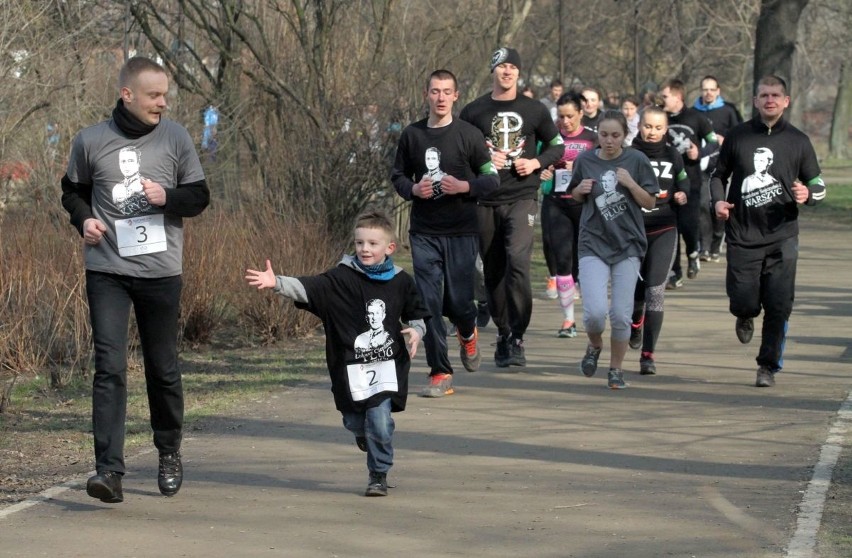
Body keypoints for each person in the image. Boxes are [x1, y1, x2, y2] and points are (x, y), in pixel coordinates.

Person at [60, 56, 210, 504]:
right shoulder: (90, 141)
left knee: (162, 368)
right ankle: (109, 470)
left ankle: (168, 451)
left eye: (165, 95)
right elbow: (72, 191)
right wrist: (84, 220)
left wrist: (169, 197)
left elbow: (200, 196)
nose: (162, 103)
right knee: (109, 367)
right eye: (154, 95)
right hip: (106, 269)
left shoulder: (177, 137)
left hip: (161, 273)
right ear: (128, 94)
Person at [245, 210, 428, 495]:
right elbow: (310, 287)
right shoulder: (340, 278)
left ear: (390, 248)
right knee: (353, 419)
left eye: (372, 243)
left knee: (380, 420)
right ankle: (361, 433)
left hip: (385, 369)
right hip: (348, 367)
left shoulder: (402, 281)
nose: (365, 249)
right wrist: (277, 282)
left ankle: (378, 474)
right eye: (359, 243)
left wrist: (417, 331)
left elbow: (418, 314)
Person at [710, 75, 825, 388]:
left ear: (786, 101)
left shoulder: (799, 141)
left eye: (776, 95)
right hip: (742, 236)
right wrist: (719, 202)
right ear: (756, 101)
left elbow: (817, 183)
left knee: (779, 304)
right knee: (744, 301)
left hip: (782, 235)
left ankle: (767, 366)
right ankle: (744, 314)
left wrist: (809, 195)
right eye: (764, 95)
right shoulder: (738, 136)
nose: (770, 100)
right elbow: (717, 176)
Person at [391, 69, 499, 397]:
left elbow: (491, 179)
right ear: (426, 94)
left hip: (463, 230)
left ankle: (468, 332)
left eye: (446, 91)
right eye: (435, 91)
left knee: (460, 303)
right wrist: (413, 190)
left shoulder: (469, 135)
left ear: (456, 96)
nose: (440, 97)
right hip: (424, 232)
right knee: (429, 303)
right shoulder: (412, 135)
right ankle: (440, 372)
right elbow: (397, 175)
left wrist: (465, 186)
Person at [459, 47, 565, 367]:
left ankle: (518, 335)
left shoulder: (534, 110)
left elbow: (557, 146)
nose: (507, 72)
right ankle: (503, 332)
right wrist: (482, 160)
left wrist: (535, 161)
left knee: (518, 262)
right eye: (501, 66)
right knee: (493, 270)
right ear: (493, 71)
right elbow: (459, 152)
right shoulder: (474, 111)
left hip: (522, 196)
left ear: (519, 73)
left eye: (512, 67)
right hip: (486, 199)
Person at [568, 110, 659, 389]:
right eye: (604, 135)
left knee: (620, 314)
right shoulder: (584, 160)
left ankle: (616, 369)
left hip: (628, 245)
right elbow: (573, 194)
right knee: (595, 313)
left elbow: (651, 202)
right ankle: (594, 345)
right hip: (593, 243)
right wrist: (580, 190)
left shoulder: (637, 160)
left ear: (625, 136)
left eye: (615, 135)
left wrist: (630, 183)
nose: (609, 141)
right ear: (597, 134)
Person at [628, 106, 689, 375]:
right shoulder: (628, 154)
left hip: (664, 227)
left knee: (655, 291)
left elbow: (684, 182)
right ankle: (635, 320)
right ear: (640, 126)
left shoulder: (673, 154)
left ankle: (648, 354)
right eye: (648, 127)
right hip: (632, 230)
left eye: (658, 128)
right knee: (636, 292)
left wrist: (681, 195)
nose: (652, 132)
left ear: (666, 130)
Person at [539, 91, 598, 338]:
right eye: (561, 116)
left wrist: (581, 168)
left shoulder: (592, 139)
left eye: (570, 116)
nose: (565, 122)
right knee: (562, 259)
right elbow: (537, 163)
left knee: (585, 261)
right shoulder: (550, 139)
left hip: (585, 206)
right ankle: (568, 320)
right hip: (557, 204)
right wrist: (541, 173)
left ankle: (594, 314)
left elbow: (605, 168)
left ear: (581, 114)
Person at [659, 79, 718, 287]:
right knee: (670, 229)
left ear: (678, 97)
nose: (662, 99)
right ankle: (675, 273)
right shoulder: (660, 117)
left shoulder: (696, 117)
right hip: (666, 182)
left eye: (665, 96)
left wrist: (699, 153)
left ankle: (693, 253)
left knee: (688, 225)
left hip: (691, 182)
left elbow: (713, 141)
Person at [694, 75, 743, 262]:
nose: (708, 93)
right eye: (705, 89)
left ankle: (716, 242)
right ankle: (703, 247)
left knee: (718, 204)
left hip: (723, 166)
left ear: (718, 91)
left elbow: (741, 134)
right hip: (701, 166)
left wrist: (726, 140)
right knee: (702, 206)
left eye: (712, 89)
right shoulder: (694, 112)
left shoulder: (728, 111)